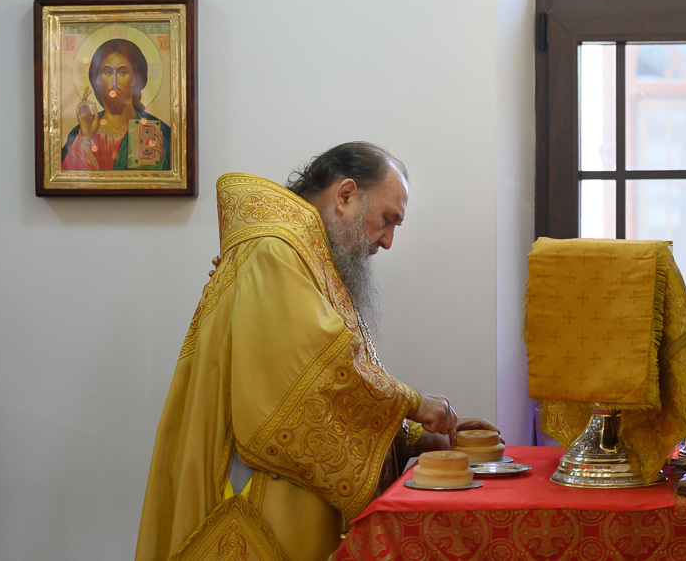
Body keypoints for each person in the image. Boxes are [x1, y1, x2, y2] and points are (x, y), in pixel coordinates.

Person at [136, 142, 498, 560]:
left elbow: (336, 392)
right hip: (257, 497)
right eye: (387, 220)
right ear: (345, 195)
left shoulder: (306, 254)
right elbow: (311, 381)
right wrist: (415, 404)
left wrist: (412, 437)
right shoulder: (274, 251)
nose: (387, 241)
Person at [61, 38, 171, 171]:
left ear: (135, 78)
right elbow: (68, 177)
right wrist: (85, 140)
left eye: (122, 72)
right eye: (107, 72)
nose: (114, 81)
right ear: (97, 78)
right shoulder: (81, 133)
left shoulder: (158, 132)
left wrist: (160, 163)